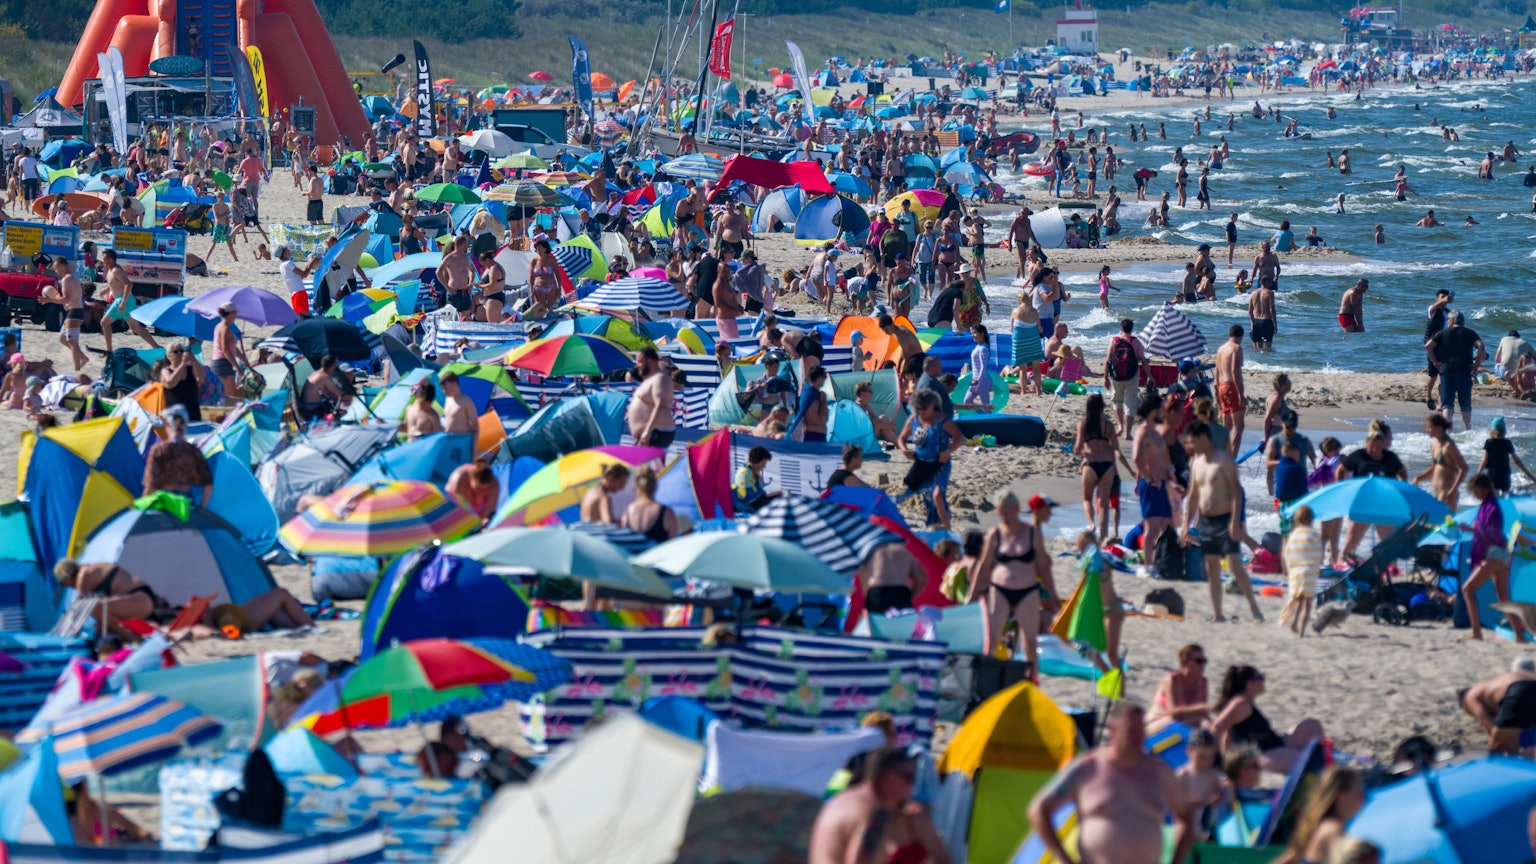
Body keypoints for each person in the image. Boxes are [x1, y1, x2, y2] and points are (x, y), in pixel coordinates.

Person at [1028, 701, 1192, 864]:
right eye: (1131, 731)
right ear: (1112, 730)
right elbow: (1039, 811)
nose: (1137, 737)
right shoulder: (1087, 768)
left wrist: (1176, 861)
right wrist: (1064, 859)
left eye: (1140, 731)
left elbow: (1185, 817)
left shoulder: (1159, 772)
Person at [53, 558, 311, 638]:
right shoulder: (93, 568)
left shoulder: (85, 574)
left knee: (95, 608)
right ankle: (305, 627)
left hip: (141, 602)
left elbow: (82, 605)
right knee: (279, 599)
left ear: (67, 578)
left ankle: (307, 626)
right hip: (146, 602)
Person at [1183, 422, 1263, 623]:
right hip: (1207, 522)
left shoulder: (1224, 460)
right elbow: (1193, 496)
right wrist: (1186, 524)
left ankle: (1254, 608)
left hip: (1225, 519)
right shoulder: (1196, 463)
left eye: (1193, 442)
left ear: (1203, 439)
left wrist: (1235, 521)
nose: (1190, 446)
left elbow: (1236, 492)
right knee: (1211, 568)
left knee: (1235, 565)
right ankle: (1217, 613)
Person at [969, 491, 1058, 668]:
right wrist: (972, 594)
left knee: (1029, 644)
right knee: (991, 640)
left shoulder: (1032, 533)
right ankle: (985, 684)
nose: (1004, 517)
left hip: (1027, 592)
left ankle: (1030, 682)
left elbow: (1043, 566)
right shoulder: (995, 534)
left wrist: (1053, 596)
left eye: (1007, 512)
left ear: (1016, 509)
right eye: (1000, 512)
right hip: (999, 591)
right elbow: (984, 566)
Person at [807, 747, 922, 864]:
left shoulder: (842, 800)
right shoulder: (874, 811)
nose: (912, 788)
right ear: (890, 777)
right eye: (909, 778)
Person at [1211, 665, 1324, 775]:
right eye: (1261, 677)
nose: (1264, 680)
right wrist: (1222, 762)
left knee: (1312, 725)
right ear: (1250, 684)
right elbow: (1217, 727)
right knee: (1310, 763)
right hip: (1265, 754)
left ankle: (1323, 753)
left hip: (1274, 744)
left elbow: (1228, 735)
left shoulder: (1244, 702)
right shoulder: (1241, 704)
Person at [1462, 472, 1528, 643]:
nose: (1474, 494)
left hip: (1495, 554)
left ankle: (1476, 632)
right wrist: (1470, 529)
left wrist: (1474, 529)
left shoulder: (1491, 506)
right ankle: (1520, 637)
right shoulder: (1488, 505)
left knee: (1467, 589)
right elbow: (1486, 530)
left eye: (1475, 490)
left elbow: (1492, 532)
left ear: (1483, 488)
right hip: (1501, 554)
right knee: (1503, 598)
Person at [896, 389, 962, 529]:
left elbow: (959, 437)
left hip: (940, 463)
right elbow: (901, 439)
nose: (922, 412)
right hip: (921, 464)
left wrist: (949, 450)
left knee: (937, 495)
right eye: (918, 409)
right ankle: (934, 526)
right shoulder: (913, 419)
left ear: (933, 406)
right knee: (923, 497)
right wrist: (904, 450)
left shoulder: (941, 419)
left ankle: (947, 527)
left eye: (925, 408)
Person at [1133, 394, 1176, 574]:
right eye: (1160, 409)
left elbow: (1161, 460)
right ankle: (1148, 566)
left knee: (1166, 525)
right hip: (1151, 485)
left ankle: (1159, 562)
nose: (1163, 412)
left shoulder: (1156, 432)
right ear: (1153, 411)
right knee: (1151, 527)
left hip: (1163, 483)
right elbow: (1136, 458)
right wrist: (1147, 479)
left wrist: (1172, 480)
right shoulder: (1143, 432)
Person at [1426, 310, 1485, 432]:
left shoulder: (1442, 333)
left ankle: (1447, 431)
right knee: (1465, 403)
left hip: (1446, 370)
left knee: (1447, 403)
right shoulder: (1470, 333)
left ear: (1452, 321)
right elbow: (1481, 346)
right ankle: (1468, 429)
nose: (1447, 321)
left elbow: (1428, 346)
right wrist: (1477, 364)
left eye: (1448, 320)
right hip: (1464, 371)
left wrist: (1435, 362)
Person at [1460, 668, 1536, 755]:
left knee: (1497, 750)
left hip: (1521, 690)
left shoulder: (1469, 696)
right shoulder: (1494, 682)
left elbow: (1485, 720)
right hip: (1526, 689)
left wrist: (1497, 739)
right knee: (1528, 750)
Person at [1075, 394, 1119, 541]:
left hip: (1090, 464)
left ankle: (1092, 524)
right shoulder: (1109, 426)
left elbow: (1078, 448)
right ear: (1102, 407)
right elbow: (1115, 448)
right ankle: (1104, 535)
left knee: (1087, 499)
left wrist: (1085, 449)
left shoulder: (1084, 425)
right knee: (1104, 502)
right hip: (1107, 466)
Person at [1280, 505, 1323, 637]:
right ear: (1311, 520)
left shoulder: (1293, 535)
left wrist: (1289, 569)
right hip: (1309, 571)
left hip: (1297, 571)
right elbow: (1318, 553)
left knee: (1298, 599)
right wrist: (1316, 567)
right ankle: (1302, 632)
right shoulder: (1314, 535)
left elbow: (1288, 553)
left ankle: (1294, 623)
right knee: (1307, 603)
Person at [1150, 644, 1213, 728]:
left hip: (1185, 723)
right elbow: (1173, 713)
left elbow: (1202, 713)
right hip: (1159, 723)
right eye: (1199, 661)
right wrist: (1203, 707)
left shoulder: (1202, 682)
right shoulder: (1173, 680)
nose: (1202, 666)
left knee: (1211, 726)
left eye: (1204, 661)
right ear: (1185, 662)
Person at [1414, 413, 1468, 510]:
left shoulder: (1449, 446)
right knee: (1434, 522)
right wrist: (1419, 478)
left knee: (1442, 523)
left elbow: (1464, 468)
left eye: (1429, 427)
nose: (1427, 430)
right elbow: (1434, 468)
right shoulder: (1434, 445)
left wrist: (1453, 489)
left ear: (1438, 428)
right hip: (1437, 491)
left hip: (1447, 491)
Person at [1104, 319, 1145, 440]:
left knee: (1117, 401)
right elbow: (1142, 360)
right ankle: (1127, 434)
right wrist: (1149, 376)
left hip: (1116, 376)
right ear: (1132, 329)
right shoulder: (1135, 342)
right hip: (1132, 376)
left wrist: (1105, 377)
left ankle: (1120, 427)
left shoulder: (1114, 341)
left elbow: (1107, 360)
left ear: (1121, 328)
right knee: (1130, 404)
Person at [627, 347, 677, 447]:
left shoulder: (660, 379)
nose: (637, 365)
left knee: (649, 463)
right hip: (651, 433)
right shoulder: (652, 379)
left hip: (656, 433)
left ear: (650, 361)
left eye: (640, 362)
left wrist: (647, 431)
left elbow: (660, 405)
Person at [861, 542, 927, 615]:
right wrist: (911, 594)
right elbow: (921, 579)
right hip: (901, 592)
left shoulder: (868, 552)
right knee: (904, 625)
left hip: (877, 592)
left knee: (876, 625)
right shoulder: (904, 552)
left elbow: (864, 578)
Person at [1477, 416, 1535, 495]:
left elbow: (1484, 461)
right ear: (1504, 430)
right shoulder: (1507, 443)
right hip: (1505, 474)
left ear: (1492, 430)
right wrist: (1530, 476)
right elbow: (1517, 461)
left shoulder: (1489, 442)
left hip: (1492, 475)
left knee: (1495, 498)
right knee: (1505, 496)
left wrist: (1477, 475)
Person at [622, 467, 677, 544]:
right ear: (655, 486)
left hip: (635, 555)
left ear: (636, 488)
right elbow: (674, 545)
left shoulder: (628, 511)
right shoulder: (666, 512)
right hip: (657, 555)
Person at [1213, 325, 1245, 454]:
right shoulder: (1236, 349)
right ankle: (1232, 458)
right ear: (1240, 336)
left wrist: (1217, 392)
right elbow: (1234, 371)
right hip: (1232, 387)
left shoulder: (1221, 349)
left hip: (1221, 386)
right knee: (1239, 426)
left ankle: (1219, 453)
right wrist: (1241, 394)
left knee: (1226, 426)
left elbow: (1217, 373)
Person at [209, 303, 249, 404]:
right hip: (222, 363)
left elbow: (232, 348)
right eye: (234, 313)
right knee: (231, 396)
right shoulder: (224, 328)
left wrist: (243, 359)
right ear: (230, 313)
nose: (235, 316)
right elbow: (226, 350)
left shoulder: (221, 326)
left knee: (229, 394)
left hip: (220, 362)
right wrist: (238, 368)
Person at [445, 459, 500, 524]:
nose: (480, 492)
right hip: (454, 506)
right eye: (478, 488)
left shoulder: (494, 484)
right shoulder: (458, 481)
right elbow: (455, 512)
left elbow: (488, 513)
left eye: (484, 489)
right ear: (471, 478)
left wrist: (484, 521)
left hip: (475, 510)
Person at [732, 445, 781, 513]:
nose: (764, 466)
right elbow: (748, 497)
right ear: (757, 460)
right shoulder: (743, 473)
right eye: (763, 463)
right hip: (742, 508)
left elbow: (760, 495)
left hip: (750, 505)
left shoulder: (755, 474)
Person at [438, 371, 478, 436]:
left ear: (455, 384)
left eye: (446, 388)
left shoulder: (466, 401)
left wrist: (474, 445)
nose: (444, 391)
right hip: (449, 438)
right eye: (442, 389)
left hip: (462, 439)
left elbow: (475, 425)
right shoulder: (447, 400)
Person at [1247, 277, 1276, 349]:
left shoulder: (1253, 293)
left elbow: (1250, 311)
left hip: (1256, 321)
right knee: (1267, 346)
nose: (1271, 284)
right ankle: (1266, 360)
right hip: (1266, 320)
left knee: (1257, 347)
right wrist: (1275, 324)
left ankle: (1257, 360)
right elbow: (1271, 309)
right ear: (1266, 282)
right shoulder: (1269, 293)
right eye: (1270, 282)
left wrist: (1252, 323)